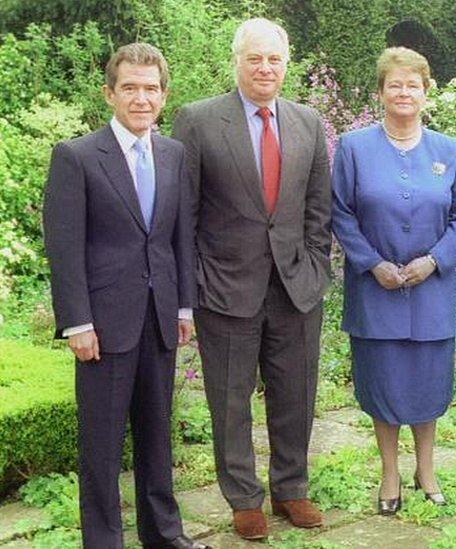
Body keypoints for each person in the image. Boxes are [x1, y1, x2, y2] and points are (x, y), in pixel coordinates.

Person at [171, 18, 332, 540]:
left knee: (296, 394)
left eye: (274, 59)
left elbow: (317, 209)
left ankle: (291, 488)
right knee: (230, 400)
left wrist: (313, 265)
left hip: (295, 288)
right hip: (225, 288)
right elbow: (184, 213)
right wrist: (193, 285)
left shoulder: (308, 122)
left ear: (287, 64)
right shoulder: (197, 121)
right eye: (255, 59)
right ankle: (243, 498)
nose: (265, 68)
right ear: (237, 61)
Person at [43, 43, 209, 549]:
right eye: (130, 88)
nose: (142, 98)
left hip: (159, 318)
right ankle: (104, 541)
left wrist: (183, 306)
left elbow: (180, 236)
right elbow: (64, 245)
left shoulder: (173, 154)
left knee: (157, 436)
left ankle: (163, 535)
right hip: (103, 325)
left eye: (151, 89)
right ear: (110, 93)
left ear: (164, 94)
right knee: (102, 445)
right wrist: (77, 322)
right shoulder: (77, 156)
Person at [331, 47, 456, 516]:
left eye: (412, 84)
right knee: (384, 384)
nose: (403, 92)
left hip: (432, 291)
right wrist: (371, 263)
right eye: (394, 84)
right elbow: (340, 213)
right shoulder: (354, 148)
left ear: (425, 90)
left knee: (428, 384)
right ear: (380, 92)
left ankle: (427, 469)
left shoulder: (449, 150)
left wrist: (435, 261)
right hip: (375, 290)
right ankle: (390, 472)